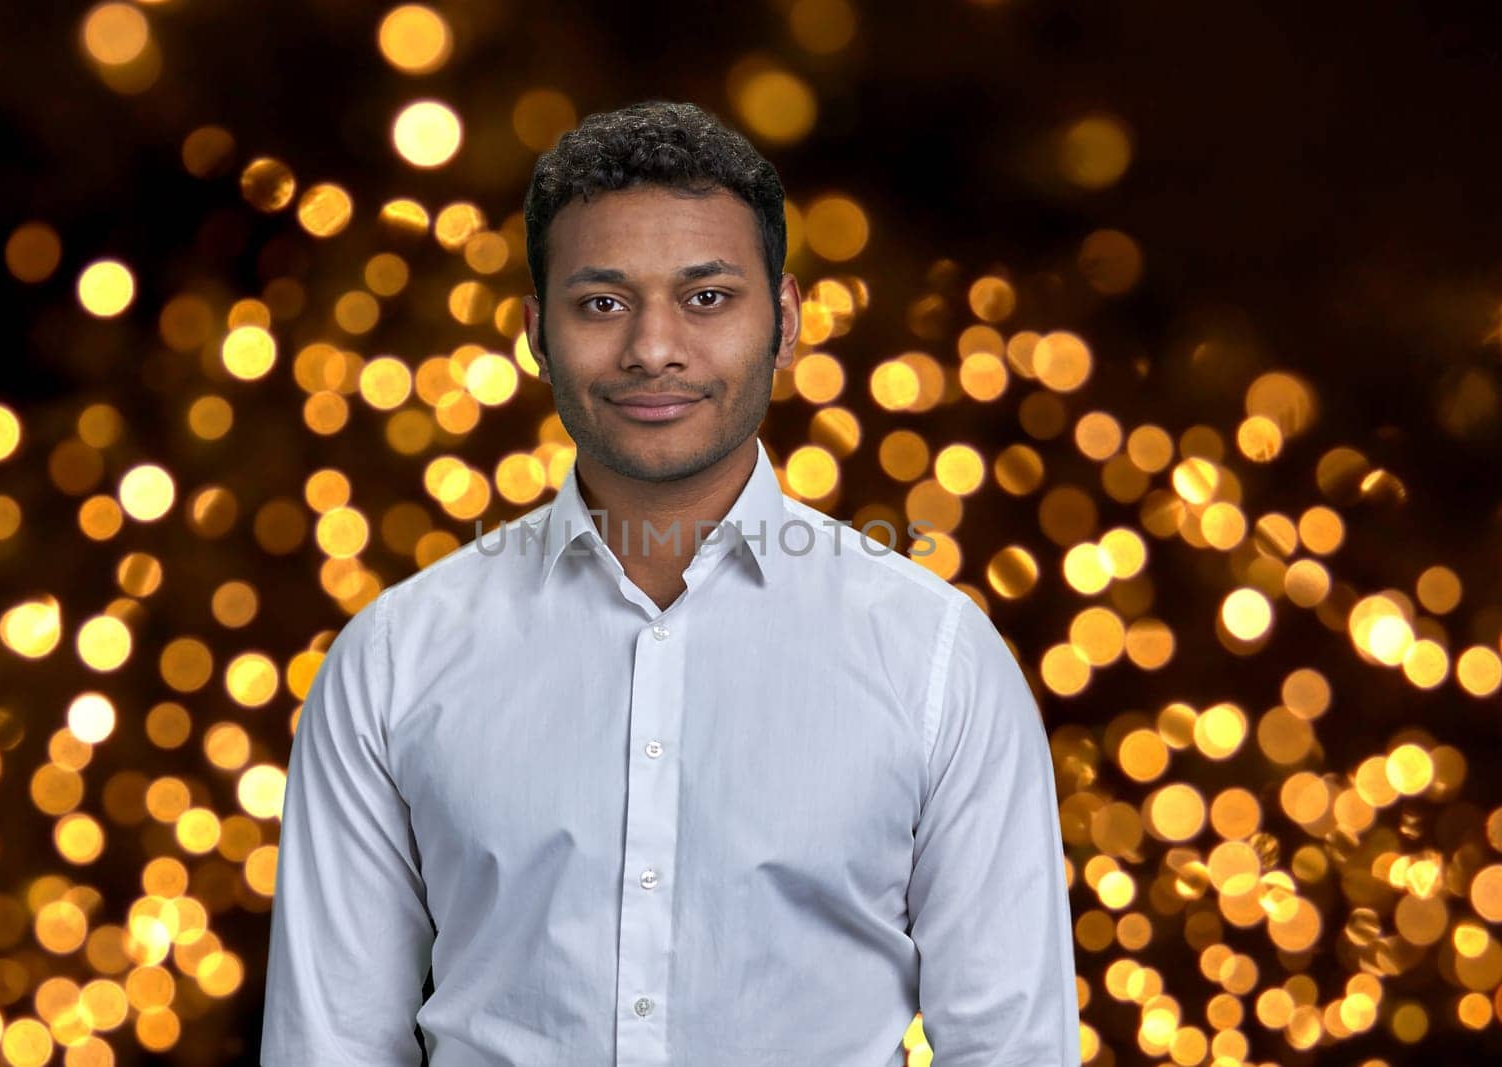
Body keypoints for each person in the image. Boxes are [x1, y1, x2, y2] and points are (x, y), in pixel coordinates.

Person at [260, 99, 1081, 1066]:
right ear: (535, 331)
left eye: (706, 297)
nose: (653, 348)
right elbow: (331, 1046)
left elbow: (1012, 1048)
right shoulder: (394, 660)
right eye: (602, 302)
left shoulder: (936, 657)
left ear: (785, 321)